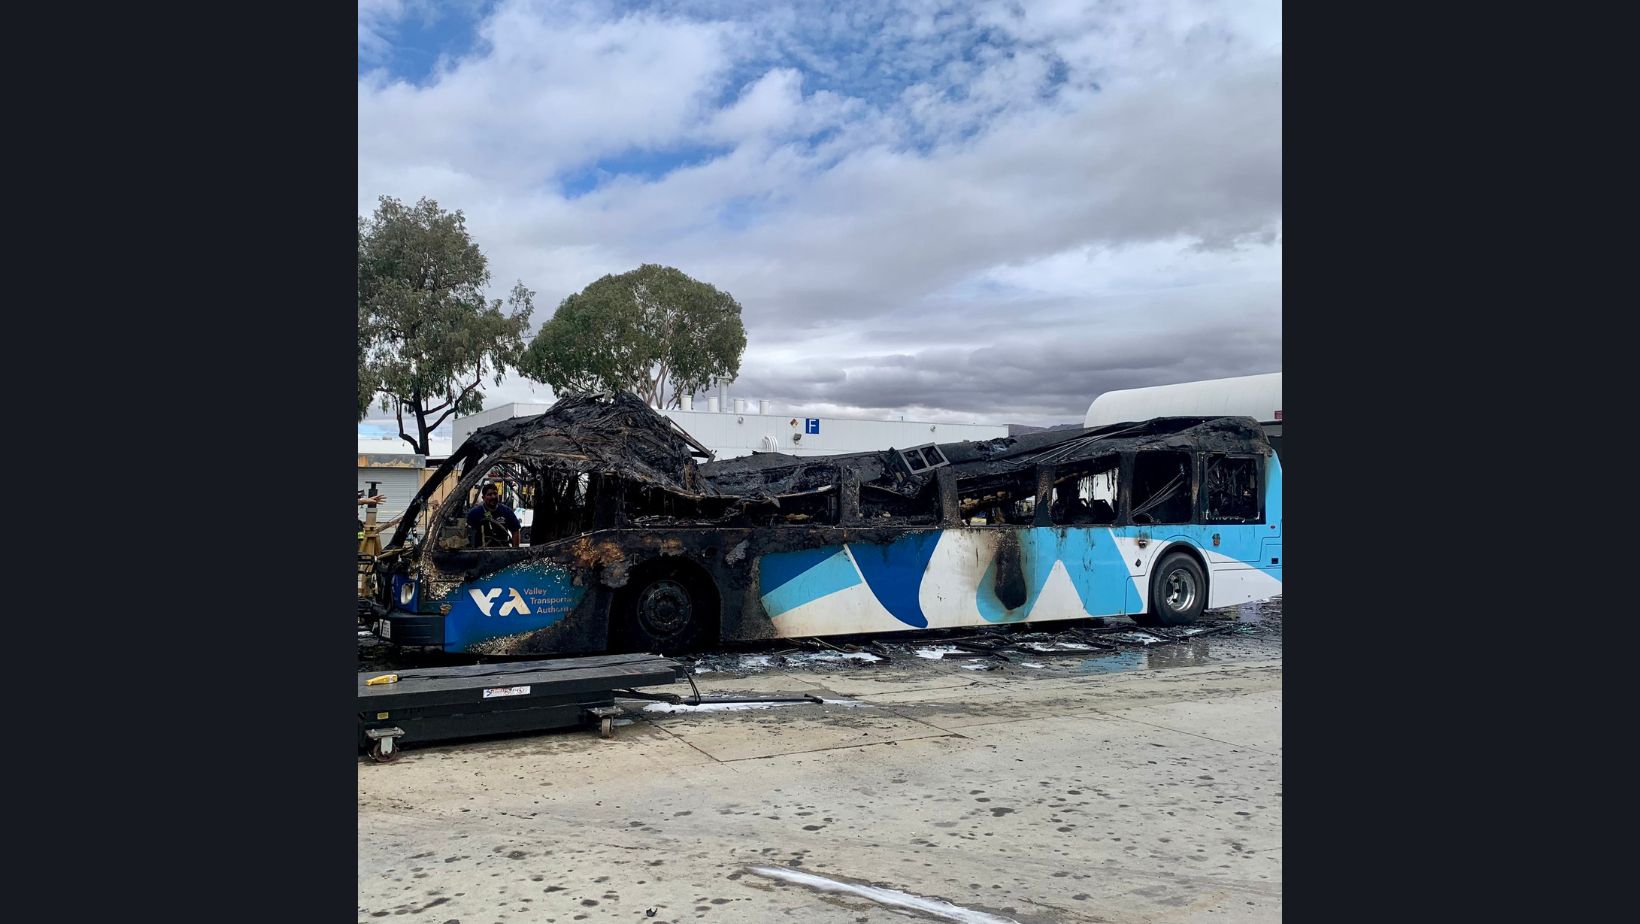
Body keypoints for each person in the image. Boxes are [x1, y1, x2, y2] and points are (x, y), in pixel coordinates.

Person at [468, 483, 521, 548]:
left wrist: (514, 551)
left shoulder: (506, 512)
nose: (493, 497)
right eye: (489, 495)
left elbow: (515, 531)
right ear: (483, 498)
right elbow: (467, 534)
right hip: (480, 552)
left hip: (502, 551)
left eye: (495, 494)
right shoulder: (474, 513)